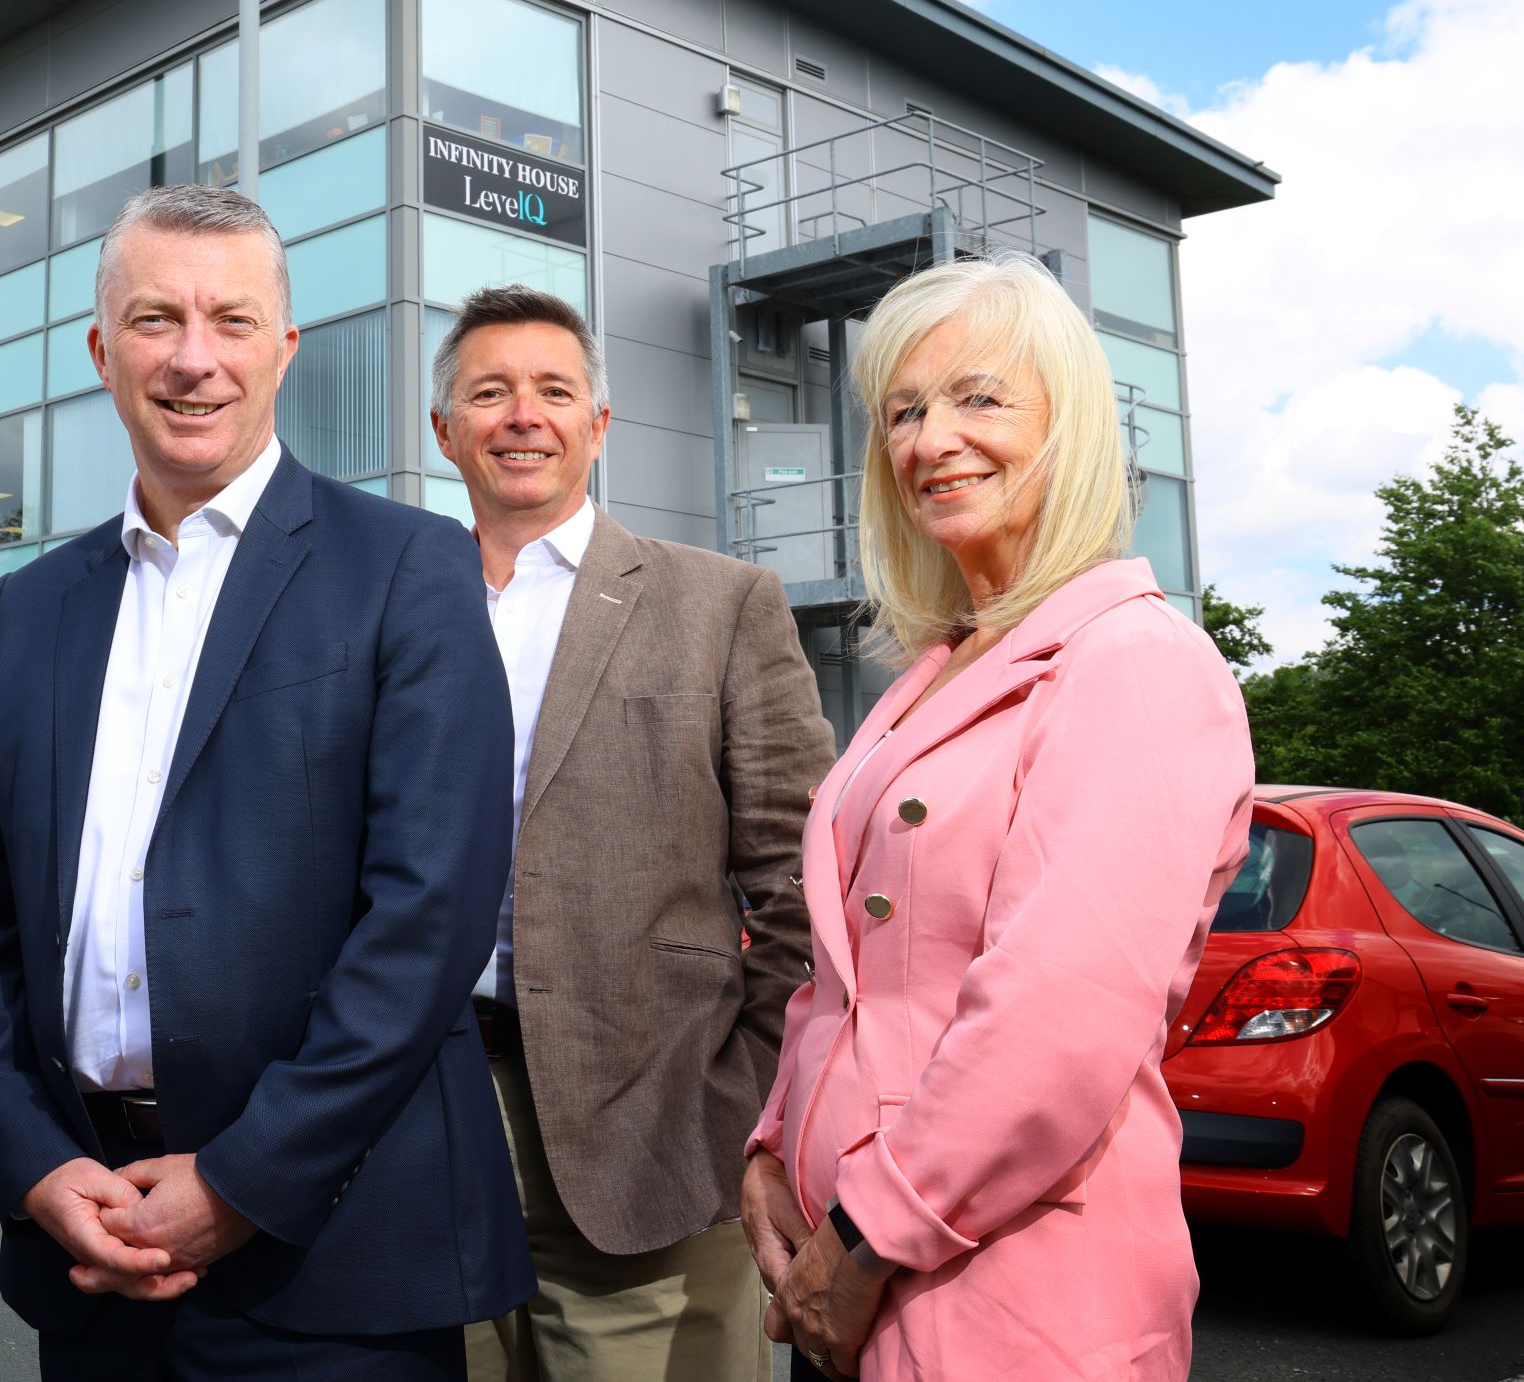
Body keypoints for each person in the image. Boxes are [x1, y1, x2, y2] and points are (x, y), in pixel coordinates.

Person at [0, 184, 531, 1378]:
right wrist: (36, 1162)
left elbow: (428, 915)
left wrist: (243, 1178)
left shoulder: (407, 566)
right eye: (156, 320)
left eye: (232, 320)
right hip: (87, 1242)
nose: (193, 359)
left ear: (285, 346)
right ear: (103, 352)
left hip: (332, 1262)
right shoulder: (29, 607)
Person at [740, 252, 1254, 1381]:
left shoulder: (1134, 663)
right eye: (903, 410)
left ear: (1066, 423)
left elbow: (1053, 1016)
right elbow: (850, 974)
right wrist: (773, 1143)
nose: (930, 440)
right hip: (860, 1278)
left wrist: (869, 1235)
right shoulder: (933, 672)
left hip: (1006, 1297)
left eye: (978, 397)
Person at [431, 286, 832, 1382]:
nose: (522, 414)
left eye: (554, 390)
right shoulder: (394, 602)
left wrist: (739, 1093)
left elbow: (805, 890)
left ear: (597, 426)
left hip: (654, 1126)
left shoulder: (720, 604)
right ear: (444, 430)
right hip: (427, 1119)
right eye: (489, 391)